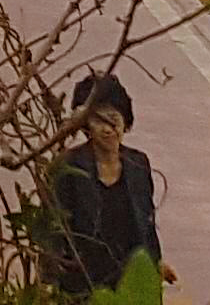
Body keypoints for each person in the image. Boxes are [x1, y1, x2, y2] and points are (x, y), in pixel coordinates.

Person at [38, 70, 162, 297]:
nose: (107, 129)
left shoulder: (138, 164)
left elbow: (146, 224)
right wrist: (49, 281)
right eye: (98, 120)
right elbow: (53, 230)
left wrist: (155, 266)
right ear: (85, 125)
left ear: (125, 121)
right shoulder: (67, 166)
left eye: (113, 119)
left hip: (128, 281)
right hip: (80, 282)